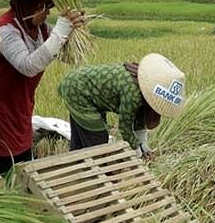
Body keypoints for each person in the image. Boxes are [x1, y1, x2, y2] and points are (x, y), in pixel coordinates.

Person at [0, 0, 85, 175]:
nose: (47, 12)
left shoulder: (41, 29)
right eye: (43, 6)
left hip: (20, 104)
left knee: (22, 158)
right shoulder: (4, 29)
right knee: (0, 164)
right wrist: (61, 31)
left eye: (49, 6)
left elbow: (71, 57)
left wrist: (75, 31)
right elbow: (28, 66)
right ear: (27, 4)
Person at [58, 53, 186, 159]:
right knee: (98, 140)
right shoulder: (133, 94)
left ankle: (77, 168)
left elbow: (138, 119)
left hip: (85, 90)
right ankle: (97, 179)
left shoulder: (142, 84)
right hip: (77, 90)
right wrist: (137, 151)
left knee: (81, 140)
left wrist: (144, 144)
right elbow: (125, 126)